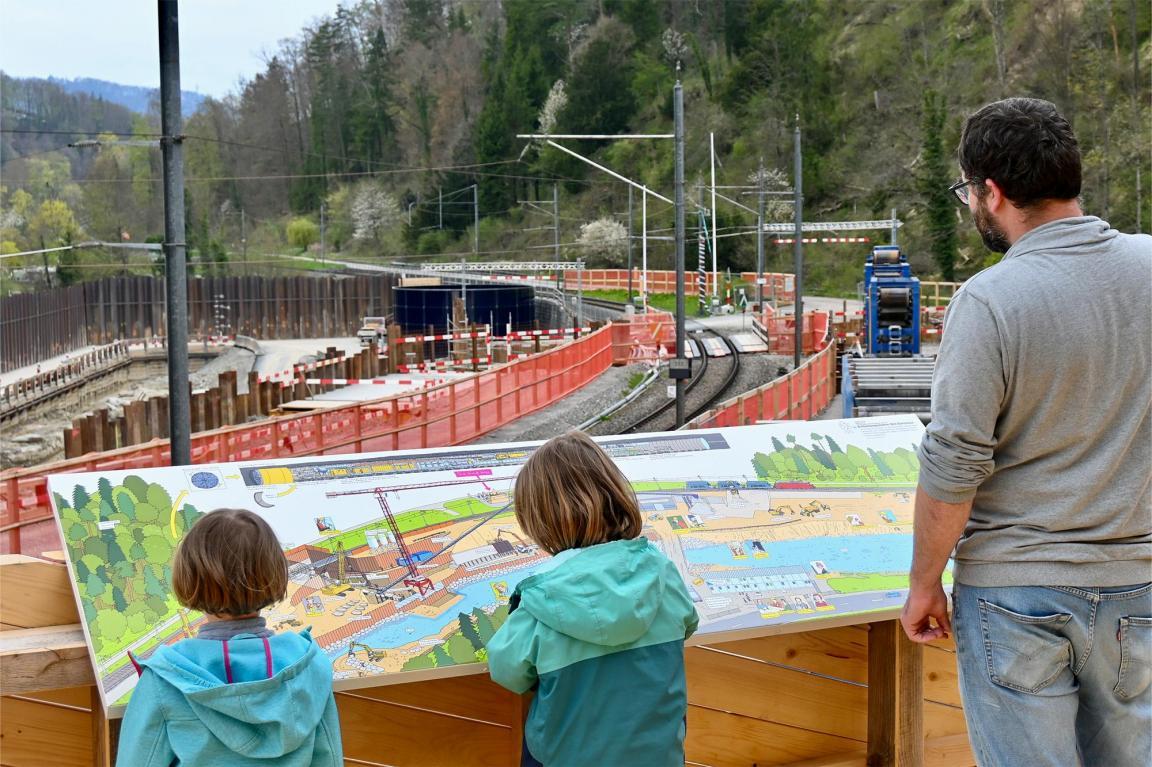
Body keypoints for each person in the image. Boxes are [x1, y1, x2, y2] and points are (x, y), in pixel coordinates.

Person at [900, 97, 1151, 766]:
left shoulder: (989, 301)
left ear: (992, 192)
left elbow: (955, 462)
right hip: (1140, 586)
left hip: (1016, 596)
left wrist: (924, 583)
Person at [487, 431, 699, 767]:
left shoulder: (540, 596)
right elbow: (688, 621)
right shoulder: (662, 572)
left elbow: (508, 670)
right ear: (615, 495)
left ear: (540, 521)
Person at [116, 508, 343, 766]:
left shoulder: (165, 678)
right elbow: (329, 758)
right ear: (275, 573)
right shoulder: (309, 666)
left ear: (189, 577)